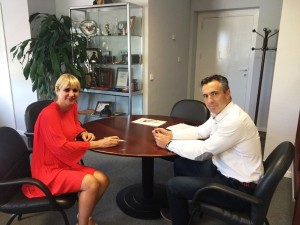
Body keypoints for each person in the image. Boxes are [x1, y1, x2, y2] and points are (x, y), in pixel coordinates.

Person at [152, 74, 264, 225]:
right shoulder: (221, 112)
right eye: (205, 96)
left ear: (227, 93)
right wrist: (172, 134)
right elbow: (200, 132)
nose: (209, 101)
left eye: (214, 94)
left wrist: (168, 144)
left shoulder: (234, 121)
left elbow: (204, 152)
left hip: (238, 189)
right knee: (180, 163)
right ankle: (185, 207)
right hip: (223, 170)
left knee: (173, 185)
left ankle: (180, 219)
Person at [22, 73, 120, 225]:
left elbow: (75, 125)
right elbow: (61, 147)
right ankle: (83, 223)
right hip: (49, 169)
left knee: (103, 179)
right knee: (91, 183)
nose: (71, 94)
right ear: (57, 90)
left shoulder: (72, 106)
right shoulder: (49, 114)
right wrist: (98, 143)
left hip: (62, 162)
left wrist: (83, 132)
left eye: (75, 90)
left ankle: (84, 216)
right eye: (67, 90)